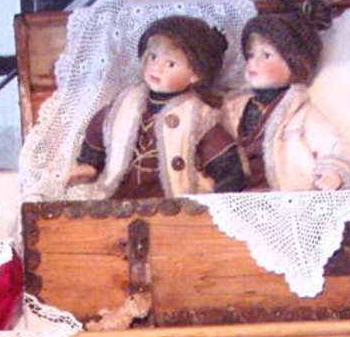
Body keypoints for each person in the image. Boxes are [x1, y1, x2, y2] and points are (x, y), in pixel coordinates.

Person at [67, 15, 246, 199]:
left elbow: (223, 158)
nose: (156, 68)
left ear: (195, 75)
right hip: (121, 195)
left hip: (173, 200)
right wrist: (90, 164)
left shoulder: (197, 115)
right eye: (153, 57)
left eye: (170, 64)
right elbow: (99, 129)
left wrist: (223, 190)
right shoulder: (126, 102)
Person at [221, 2, 350, 192]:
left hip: (281, 194)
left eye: (266, 55)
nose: (253, 63)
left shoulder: (300, 113)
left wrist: (333, 171)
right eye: (251, 55)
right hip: (233, 195)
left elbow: (334, 145)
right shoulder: (232, 108)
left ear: (294, 65)